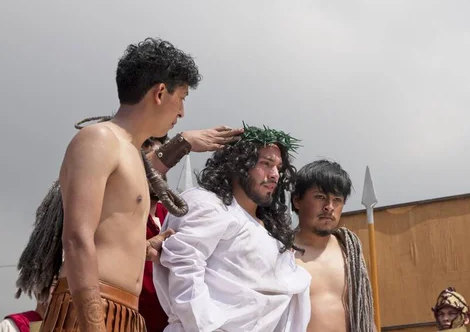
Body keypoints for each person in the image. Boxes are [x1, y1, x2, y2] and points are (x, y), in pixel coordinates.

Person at [33, 37, 200, 332]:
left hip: (126, 314)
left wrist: (144, 246)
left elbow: (105, 238)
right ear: (160, 92)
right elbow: (77, 239)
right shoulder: (99, 139)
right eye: (182, 97)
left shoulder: (133, 155)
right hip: (88, 311)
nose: (182, 112)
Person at [154, 124, 312, 332]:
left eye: (279, 168)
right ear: (239, 164)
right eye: (266, 163)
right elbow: (185, 264)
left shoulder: (272, 235)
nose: (275, 174)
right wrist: (203, 325)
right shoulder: (209, 205)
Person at [138, 128, 242, 332]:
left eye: (163, 168)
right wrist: (183, 142)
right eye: (152, 164)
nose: (157, 173)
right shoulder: (115, 216)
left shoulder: (175, 215)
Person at [292, 160, 375, 332]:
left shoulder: (350, 252)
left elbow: (365, 312)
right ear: (297, 201)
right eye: (320, 197)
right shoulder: (281, 252)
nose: (329, 207)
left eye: (337, 200)